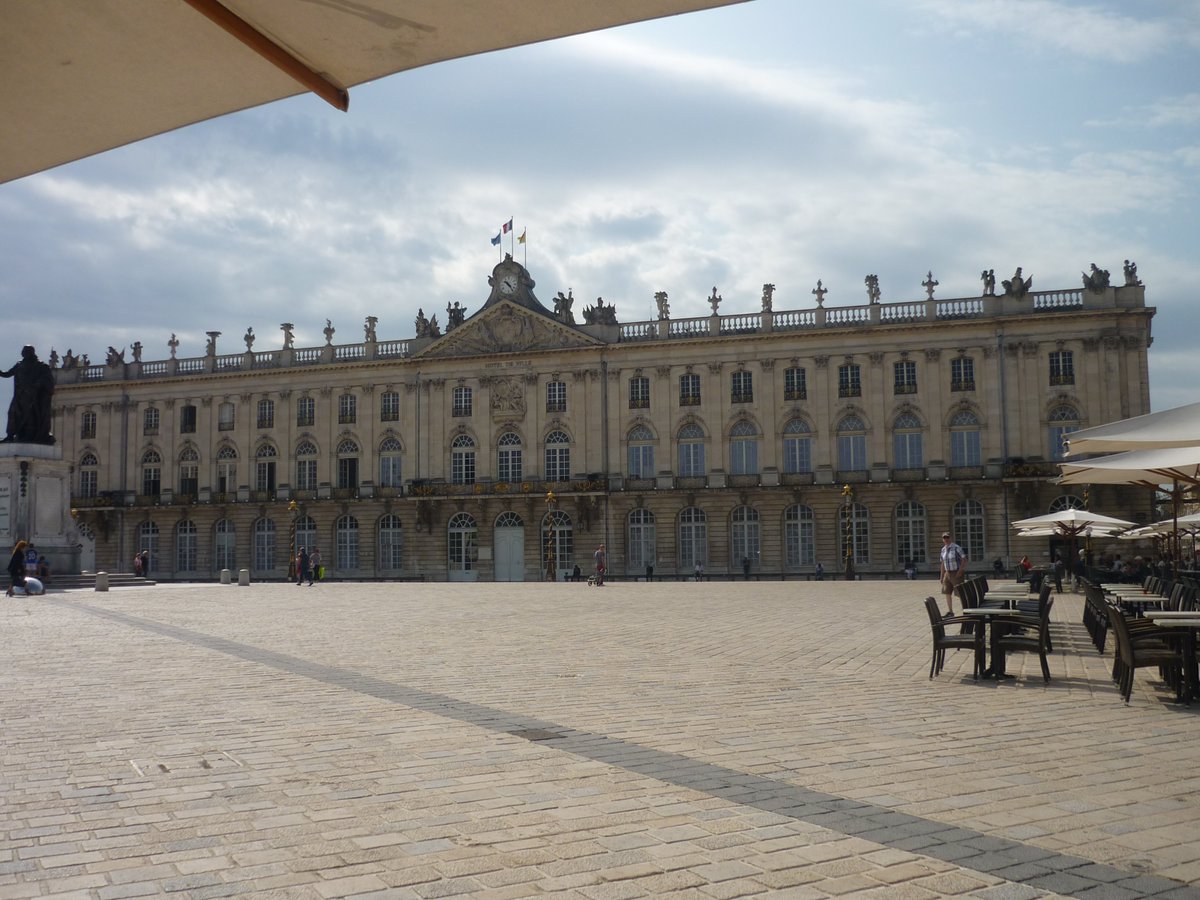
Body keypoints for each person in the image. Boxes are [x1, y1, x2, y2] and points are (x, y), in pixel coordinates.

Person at [939, 532, 967, 615]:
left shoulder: (956, 548)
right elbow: (943, 563)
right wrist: (941, 576)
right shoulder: (943, 549)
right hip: (947, 573)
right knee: (947, 592)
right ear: (942, 539)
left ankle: (966, 609)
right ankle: (950, 611)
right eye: (944, 538)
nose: (946, 539)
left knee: (959, 593)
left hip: (956, 572)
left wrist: (960, 570)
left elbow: (964, 559)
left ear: (950, 538)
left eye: (947, 537)